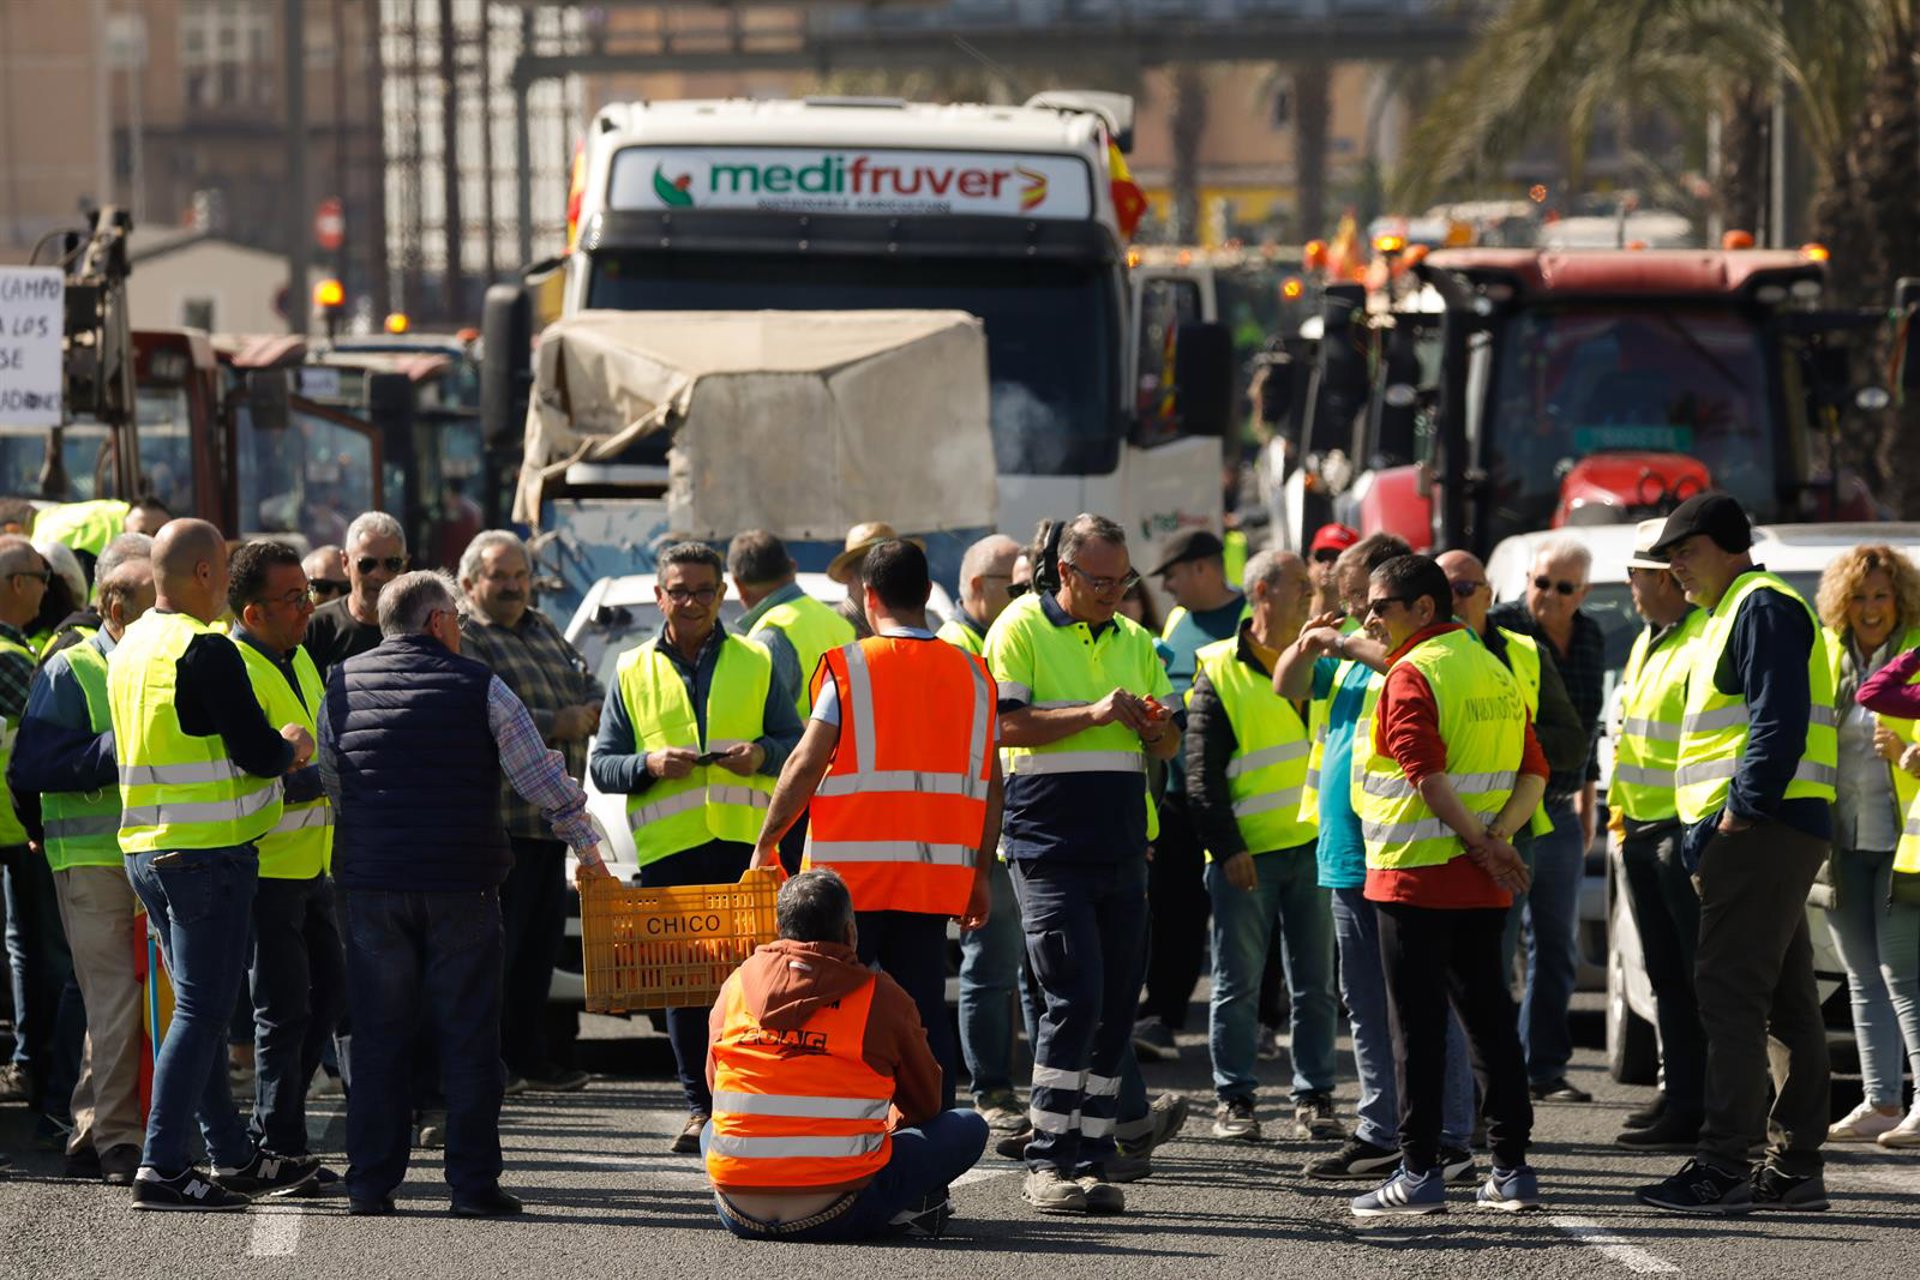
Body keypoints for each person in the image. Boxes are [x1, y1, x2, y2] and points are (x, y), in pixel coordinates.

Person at [320, 570, 612, 1218]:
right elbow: (540, 775)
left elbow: (332, 775)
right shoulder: (480, 684)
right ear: (437, 622)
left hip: (372, 886)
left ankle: (370, 1184)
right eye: (453, 615)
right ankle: (473, 1186)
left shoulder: (340, 684)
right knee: (470, 1035)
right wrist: (588, 844)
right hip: (461, 884)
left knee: (378, 1036)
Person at [107, 519, 319, 1210]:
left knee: (190, 1012)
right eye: (223, 567)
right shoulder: (204, 648)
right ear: (202, 574)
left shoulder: (133, 643)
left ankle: (227, 1154)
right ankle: (163, 1164)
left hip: (146, 848)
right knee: (201, 1013)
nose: (228, 582)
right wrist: (291, 745)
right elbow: (259, 753)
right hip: (205, 856)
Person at [750, 539, 1001, 1117]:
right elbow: (991, 785)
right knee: (921, 1015)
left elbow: (805, 763)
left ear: (869, 596)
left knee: (832, 1009)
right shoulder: (974, 675)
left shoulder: (852, 667)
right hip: (932, 884)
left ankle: (830, 1128)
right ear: (924, 595)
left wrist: (767, 842)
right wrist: (980, 875)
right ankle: (931, 1139)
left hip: (848, 887)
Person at [1636, 493, 1837, 1214]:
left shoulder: (1759, 604)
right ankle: (1792, 1167)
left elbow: (1776, 720)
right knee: (1782, 1002)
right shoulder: (1733, 610)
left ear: (1726, 545)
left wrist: (1737, 818)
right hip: (1766, 830)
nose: (1674, 570)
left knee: (1728, 996)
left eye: (1683, 554)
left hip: (1760, 831)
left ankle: (1724, 1163)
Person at [987, 513, 1180, 1218]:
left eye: (1122, 579)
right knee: (1073, 1000)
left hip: (1123, 848)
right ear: (1064, 573)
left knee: (1111, 1009)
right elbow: (1004, 725)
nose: (1113, 592)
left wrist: (1158, 726)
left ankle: (1095, 1158)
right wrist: (1095, 711)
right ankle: (1048, 1162)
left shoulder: (1136, 639)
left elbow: (1166, 746)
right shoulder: (1018, 627)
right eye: (1100, 581)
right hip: (1048, 848)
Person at [1346, 554, 1545, 1217]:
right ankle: (1511, 1170)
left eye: (1382, 605)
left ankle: (1418, 1173)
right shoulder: (1492, 665)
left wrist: (1480, 842)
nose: (1370, 616)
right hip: (1479, 881)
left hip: (1412, 879)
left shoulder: (1411, 673)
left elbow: (1426, 778)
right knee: (1490, 1023)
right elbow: (1534, 772)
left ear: (1423, 610)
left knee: (1418, 1031)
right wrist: (1495, 842)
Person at [589, 542, 803, 1155]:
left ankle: (751, 1101)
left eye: (703, 590)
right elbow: (602, 766)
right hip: (671, 850)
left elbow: (798, 740)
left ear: (722, 595)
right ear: (661, 596)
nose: (690, 602)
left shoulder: (758, 659)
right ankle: (698, 1108)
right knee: (683, 987)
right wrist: (649, 763)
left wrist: (762, 753)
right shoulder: (630, 669)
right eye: (678, 590)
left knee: (754, 982)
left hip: (743, 849)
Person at [1283, 534, 1475, 1183]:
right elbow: (1289, 684)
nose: (1358, 610)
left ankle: (1448, 1132)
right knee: (1364, 1001)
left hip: (1404, 848)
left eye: (1369, 598)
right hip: (1347, 849)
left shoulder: (1416, 657)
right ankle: (1379, 1128)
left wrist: (1340, 640)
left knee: (1426, 1000)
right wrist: (1309, 643)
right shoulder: (1351, 653)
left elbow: (1393, 659)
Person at [701, 868, 988, 1241]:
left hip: (739, 1212)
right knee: (968, 1126)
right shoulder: (881, 997)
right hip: (838, 1210)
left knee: (711, 1128)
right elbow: (926, 1103)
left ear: (780, 928)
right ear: (851, 933)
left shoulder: (736, 985)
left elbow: (716, 1085)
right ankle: (898, 1210)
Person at [7, 536, 154, 1185]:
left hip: (154, 855)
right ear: (115, 609)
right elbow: (29, 769)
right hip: (92, 860)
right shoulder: (73, 669)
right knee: (117, 999)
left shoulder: (162, 663)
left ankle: (95, 1131)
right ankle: (119, 1138)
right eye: (158, 602)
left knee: (120, 1002)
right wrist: (119, 749)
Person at [1186, 549, 1339, 1142]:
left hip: (1315, 850)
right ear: (1263, 594)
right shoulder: (1218, 668)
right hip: (1247, 856)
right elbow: (1200, 776)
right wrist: (1227, 849)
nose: (1310, 594)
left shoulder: (1320, 658)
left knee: (1315, 986)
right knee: (1237, 983)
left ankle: (1316, 1096)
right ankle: (1235, 1099)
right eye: (1300, 585)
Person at [456, 529, 603, 1093]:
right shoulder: (467, 637)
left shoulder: (542, 626)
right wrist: (557, 721)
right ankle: (494, 1061)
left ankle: (530, 1057)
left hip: (549, 825)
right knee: (499, 952)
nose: (514, 587)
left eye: (520, 576)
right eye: (500, 577)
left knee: (537, 952)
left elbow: (586, 678)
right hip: (502, 823)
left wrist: (587, 706)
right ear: (470, 583)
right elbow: (476, 708)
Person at [227, 541, 343, 1176]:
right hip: (266, 866)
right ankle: (279, 1145)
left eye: (309, 594)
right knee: (282, 1010)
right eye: (294, 598)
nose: (308, 608)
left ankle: (273, 1128)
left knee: (323, 999)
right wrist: (324, 777)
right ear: (253, 612)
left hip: (310, 865)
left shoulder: (295, 658)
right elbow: (247, 775)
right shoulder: (239, 669)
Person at [1482, 540, 1602, 1103]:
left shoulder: (1592, 636)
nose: (1546, 596)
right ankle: (1492, 1072)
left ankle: (1543, 1069)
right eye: (1539, 582)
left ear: (1583, 593)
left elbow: (1588, 727)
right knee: (1498, 945)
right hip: (1506, 808)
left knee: (1557, 945)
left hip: (1559, 806)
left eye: (1562, 588)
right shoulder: (1499, 629)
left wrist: (1587, 801)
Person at [1607, 520, 1709, 1152]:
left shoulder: (1699, 638)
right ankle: (1681, 1094)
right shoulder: (1651, 639)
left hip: (1678, 827)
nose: (1631, 586)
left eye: (1637, 574)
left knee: (1694, 977)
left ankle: (1699, 1105)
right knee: (1665, 976)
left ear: (1669, 577)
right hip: (1641, 828)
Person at [1134, 529, 1246, 1070]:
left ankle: (1261, 1021)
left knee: (1243, 914)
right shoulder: (1177, 625)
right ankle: (1164, 1017)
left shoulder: (1251, 617)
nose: (1170, 589)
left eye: (1173, 575)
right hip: (1177, 797)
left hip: (1239, 798)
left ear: (1202, 568)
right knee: (1175, 911)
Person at [1820, 545, 1920, 1147]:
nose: (1870, 607)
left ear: (1900, 598)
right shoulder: (1830, 656)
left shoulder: (1915, 654)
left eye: (1881, 595)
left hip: (1904, 840)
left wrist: (1908, 758)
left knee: (1902, 972)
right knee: (1861, 975)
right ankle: (1881, 1100)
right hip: (1842, 837)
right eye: (1859, 596)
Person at [0, 534, 80, 1142]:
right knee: (45, 953)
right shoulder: (11, 653)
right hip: (21, 830)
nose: (44, 588)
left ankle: (33, 1064)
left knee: (26, 949)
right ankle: (45, 1070)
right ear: (14, 584)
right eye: (38, 576)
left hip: (20, 826)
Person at [731, 528, 857, 714]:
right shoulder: (838, 622)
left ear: (738, 585)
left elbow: (762, 720)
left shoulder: (769, 638)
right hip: (849, 742)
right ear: (792, 567)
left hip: (801, 744)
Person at [303, 512, 407, 676]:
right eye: (367, 564)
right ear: (345, 562)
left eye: (391, 564)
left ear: (404, 565)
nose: (378, 574)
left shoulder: (418, 626)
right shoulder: (316, 627)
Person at [827, 522, 918, 641]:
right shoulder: (831, 626)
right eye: (878, 571)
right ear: (849, 576)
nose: (892, 580)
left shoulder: (909, 624)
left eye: (897, 569)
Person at [938, 533, 1024, 656]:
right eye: (1013, 580)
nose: (1024, 591)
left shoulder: (1011, 634)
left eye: (1027, 583)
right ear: (978, 585)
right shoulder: (951, 647)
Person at [1307, 523, 1359, 618]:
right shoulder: (1290, 614)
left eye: (1336, 557)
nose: (1327, 564)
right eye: (1321, 556)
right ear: (1310, 561)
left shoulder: (1362, 623)